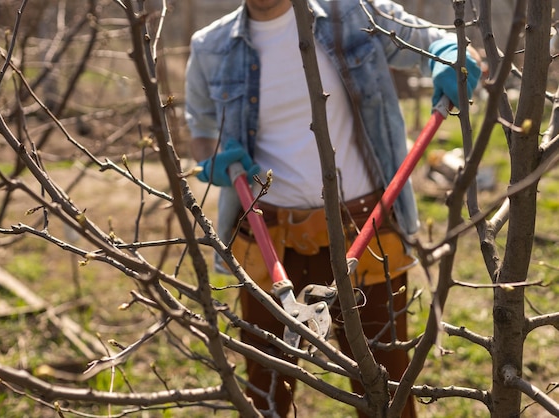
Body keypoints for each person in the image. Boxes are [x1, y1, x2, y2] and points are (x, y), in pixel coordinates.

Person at [185, 1, 481, 416]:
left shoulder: (355, 13)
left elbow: (438, 42)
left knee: (386, 396)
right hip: (268, 242)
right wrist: (212, 157)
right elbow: (199, 129)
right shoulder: (210, 46)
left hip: (366, 238)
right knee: (265, 397)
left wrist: (453, 56)